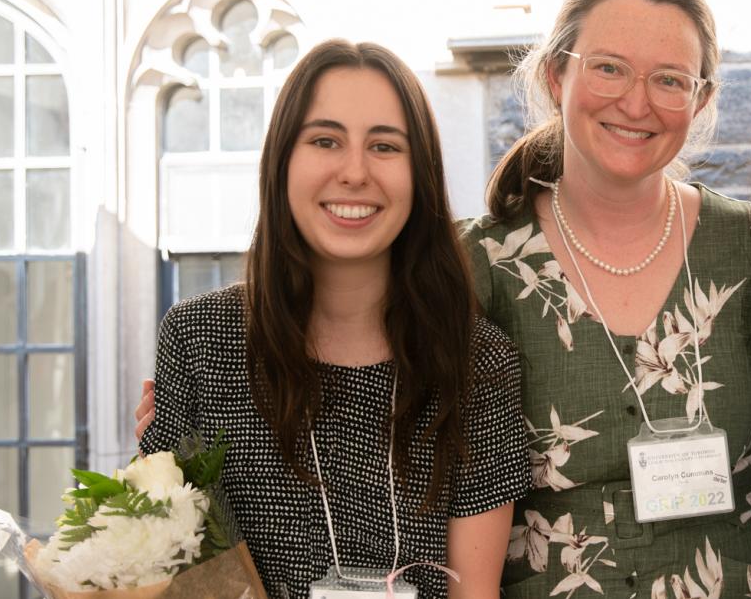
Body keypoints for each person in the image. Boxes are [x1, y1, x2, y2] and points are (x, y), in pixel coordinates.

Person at [137, 40, 530, 599]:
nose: (354, 172)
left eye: (385, 147)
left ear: (420, 173)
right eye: (325, 140)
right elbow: (173, 565)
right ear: (283, 161)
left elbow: (474, 592)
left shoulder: (476, 360)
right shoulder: (200, 340)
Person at [459, 0, 751, 597]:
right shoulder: (480, 265)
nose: (635, 103)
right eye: (609, 67)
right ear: (558, 74)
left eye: (670, 79)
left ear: (700, 100)